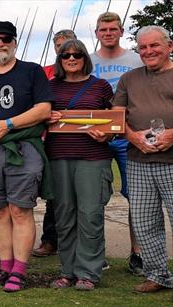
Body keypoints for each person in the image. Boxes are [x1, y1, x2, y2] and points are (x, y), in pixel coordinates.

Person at [0, 21, 53, 292]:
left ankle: (20, 271)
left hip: (23, 147)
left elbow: (43, 110)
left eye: (5, 39)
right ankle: (4, 267)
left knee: (20, 209)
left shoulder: (31, 71)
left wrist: (9, 123)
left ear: (14, 42)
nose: (0, 44)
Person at [43, 39, 114, 291]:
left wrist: (107, 134)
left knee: (90, 215)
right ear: (60, 60)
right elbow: (37, 118)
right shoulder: (49, 87)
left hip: (93, 158)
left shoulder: (101, 86)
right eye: (66, 55)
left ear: (85, 58)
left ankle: (88, 273)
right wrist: (45, 116)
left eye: (77, 55)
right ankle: (67, 271)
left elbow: (114, 120)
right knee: (64, 216)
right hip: (58, 158)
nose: (71, 59)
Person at [112, 25, 173, 293]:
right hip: (138, 161)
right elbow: (116, 117)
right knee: (145, 222)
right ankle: (157, 275)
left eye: (154, 45)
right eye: (143, 47)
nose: (148, 51)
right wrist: (133, 137)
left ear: (169, 46)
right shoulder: (129, 78)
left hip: (172, 161)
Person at [89, 12, 145, 275]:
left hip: (127, 135)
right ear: (97, 33)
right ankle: (95, 253)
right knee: (92, 197)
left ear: (122, 31)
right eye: (103, 29)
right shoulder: (87, 60)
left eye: (113, 29)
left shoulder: (135, 59)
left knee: (137, 195)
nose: (108, 33)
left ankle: (138, 252)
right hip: (95, 136)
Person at [32, 29, 78, 258]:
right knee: (54, 194)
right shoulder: (45, 73)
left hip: (80, 142)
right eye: (59, 46)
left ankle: (80, 245)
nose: (64, 50)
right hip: (51, 140)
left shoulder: (84, 71)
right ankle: (50, 239)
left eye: (68, 45)